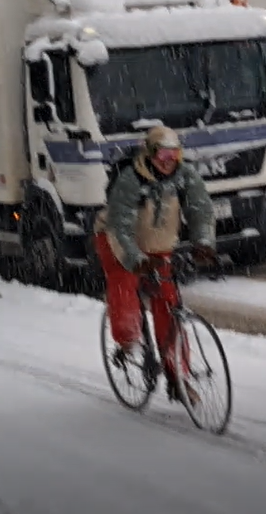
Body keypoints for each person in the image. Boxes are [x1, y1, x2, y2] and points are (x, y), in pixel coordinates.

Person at [94, 126, 217, 405]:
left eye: (174, 153)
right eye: (162, 153)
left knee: (169, 305)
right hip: (116, 239)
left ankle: (177, 377)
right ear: (149, 153)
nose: (168, 159)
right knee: (125, 285)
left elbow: (201, 209)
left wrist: (203, 243)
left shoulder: (186, 177)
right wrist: (137, 260)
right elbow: (120, 228)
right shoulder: (130, 180)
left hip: (159, 244)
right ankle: (128, 340)